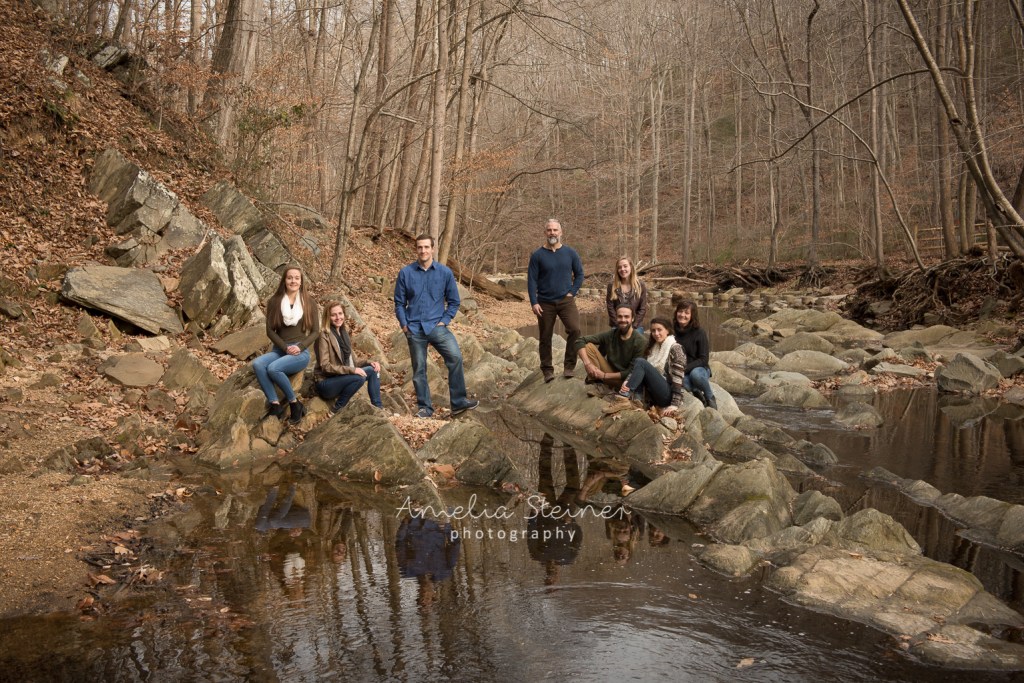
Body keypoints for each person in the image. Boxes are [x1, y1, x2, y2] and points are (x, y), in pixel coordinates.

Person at [394, 234, 479, 418]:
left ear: (433, 249)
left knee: (455, 357)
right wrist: (404, 326)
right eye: (419, 247)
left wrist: (444, 321)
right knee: (419, 369)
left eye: (426, 247)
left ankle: (459, 402)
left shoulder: (445, 273)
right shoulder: (406, 273)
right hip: (414, 328)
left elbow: (454, 301)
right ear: (416, 249)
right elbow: (399, 303)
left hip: (437, 326)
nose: (423, 250)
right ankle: (425, 408)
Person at [252, 266, 319, 424]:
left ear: (301, 281)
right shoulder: (274, 302)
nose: (293, 281)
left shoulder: (309, 303)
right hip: (280, 350)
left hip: (300, 352)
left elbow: (316, 331)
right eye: (290, 278)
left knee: (273, 368)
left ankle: (294, 403)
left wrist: (300, 347)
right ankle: (275, 405)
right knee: (258, 364)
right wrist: (284, 347)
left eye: (296, 278)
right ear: (284, 280)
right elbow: (270, 331)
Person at [527, 218, 585, 383]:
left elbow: (580, 274)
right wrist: (534, 302)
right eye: (549, 230)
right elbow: (532, 280)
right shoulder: (537, 255)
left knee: (575, 330)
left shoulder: (570, 253)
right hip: (544, 302)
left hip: (566, 300)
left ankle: (569, 367)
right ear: (545, 233)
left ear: (561, 232)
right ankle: (547, 370)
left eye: (555, 230)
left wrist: (572, 292)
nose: (552, 233)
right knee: (545, 336)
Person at [313, 301, 384, 416]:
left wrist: (370, 362)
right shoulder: (324, 336)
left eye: (340, 313)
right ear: (328, 317)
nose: (338, 317)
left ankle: (378, 409)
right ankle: (336, 409)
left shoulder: (343, 334)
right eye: (333, 315)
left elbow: (354, 362)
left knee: (374, 370)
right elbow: (325, 366)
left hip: (342, 378)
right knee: (359, 377)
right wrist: (352, 370)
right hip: (326, 383)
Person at [617, 317, 686, 414]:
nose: (656, 333)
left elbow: (678, 378)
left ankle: (624, 396)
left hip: (667, 395)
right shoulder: (652, 347)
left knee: (641, 362)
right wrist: (628, 380)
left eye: (659, 330)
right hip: (653, 394)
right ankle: (637, 402)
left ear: (667, 330)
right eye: (653, 330)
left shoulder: (676, 348)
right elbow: (638, 369)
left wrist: (674, 404)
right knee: (640, 364)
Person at [574, 305, 646, 389]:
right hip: (609, 373)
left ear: (632, 318)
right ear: (616, 318)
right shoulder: (611, 334)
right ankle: (597, 383)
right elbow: (580, 340)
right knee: (588, 346)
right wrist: (587, 364)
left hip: (626, 382)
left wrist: (604, 375)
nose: (623, 320)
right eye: (620, 316)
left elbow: (632, 371)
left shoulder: (641, 341)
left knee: (631, 373)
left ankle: (601, 384)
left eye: (626, 317)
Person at [673, 300, 717, 410]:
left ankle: (710, 397)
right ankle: (697, 392)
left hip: (699, 368)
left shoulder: (699, 332)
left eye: (686, 313)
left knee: (695, 375)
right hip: (681, 370)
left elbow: (703, 359)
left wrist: (684, 368)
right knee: (682, 382)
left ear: (692, 315)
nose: (682, 315)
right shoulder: (671, 330)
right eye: (680, 311)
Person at [605, 256, 648, 332]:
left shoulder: (640, 285)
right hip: (617, 324)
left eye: (625, 266)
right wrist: (618, 325)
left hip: (635, 325)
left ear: (631, 267)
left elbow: (642, 308)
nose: (622, 269)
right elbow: (610, 307)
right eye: (619, 267)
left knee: (635, 337)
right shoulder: (612, 286)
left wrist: (633, 326)